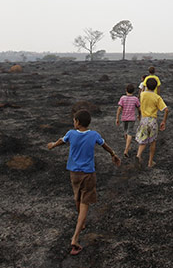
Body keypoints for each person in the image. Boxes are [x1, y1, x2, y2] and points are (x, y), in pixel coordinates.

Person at [47, 109, 121, 255]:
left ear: (77, 122)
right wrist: (113, 154)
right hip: (88, 174)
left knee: (77, 197)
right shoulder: (94, 135)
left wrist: (52, 145)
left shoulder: (71, 133)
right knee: (85, 202)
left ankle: (82, 223)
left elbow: (61, 141)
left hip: (74, 173)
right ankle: (75, 237)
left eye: (74, 120)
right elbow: (104, 145)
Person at [135, 77, 169, 168]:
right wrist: (164, 121)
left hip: (144, 119)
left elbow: (138, 103)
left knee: (142, 140)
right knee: (153, 142)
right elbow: (166, 110)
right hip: (153, 121)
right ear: (155, 87)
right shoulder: (157, 97)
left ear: (146, 85)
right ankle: (150, 162)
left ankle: (138, 156)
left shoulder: (142, 95)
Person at [116, 83, 140, 157]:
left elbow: (119, 108)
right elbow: (139, 108)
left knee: (126, 132)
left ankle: (127, 147)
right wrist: (139, 115)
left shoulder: (123, 98)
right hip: (132, 118)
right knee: (130, 133)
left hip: (124, 118)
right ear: (133, 91)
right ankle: (127, 149)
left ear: (126, 90)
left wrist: (117, 117)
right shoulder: (135, 99)